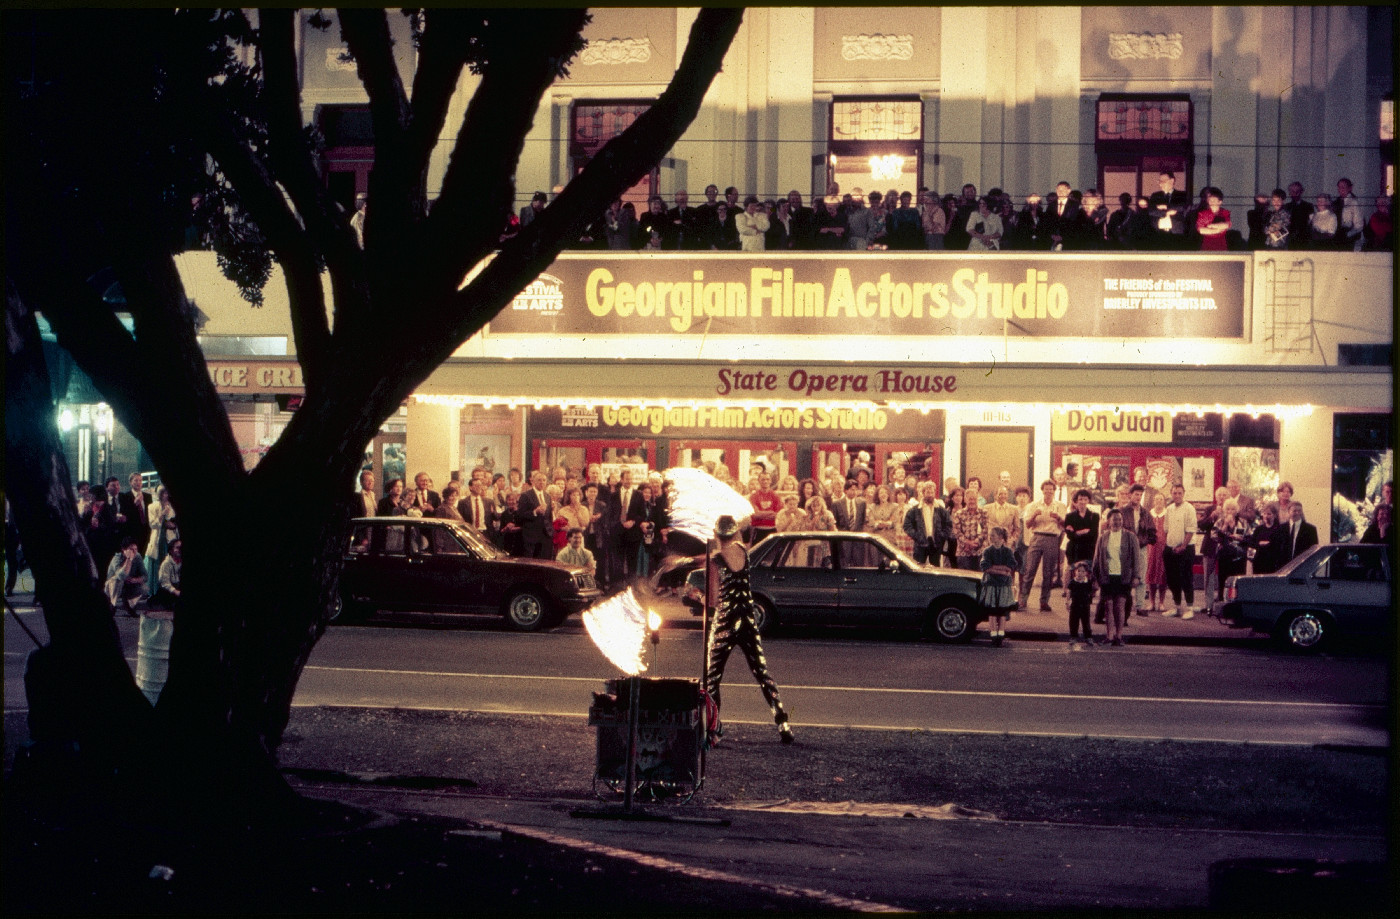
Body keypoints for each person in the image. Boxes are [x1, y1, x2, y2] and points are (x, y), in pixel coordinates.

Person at [703, 514, 793, 744]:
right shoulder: (742, 551)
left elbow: (712, 599)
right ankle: (783, 723)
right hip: (747, 618)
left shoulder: (717, 557)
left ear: (717, 534)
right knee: (762, 673)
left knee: (712, 678)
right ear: (734, 533)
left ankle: (713, 731)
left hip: (725, 621)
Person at [1092, 509, 1141, 647]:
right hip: (1107, 576)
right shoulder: (1103, 536)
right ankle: (1109, 636)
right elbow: (1097, 558)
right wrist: (1095, 578)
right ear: (1109, 521)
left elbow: (1137, 558)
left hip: (1123, 576)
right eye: (1114, 519)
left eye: (1119, 519)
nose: (1117, 521)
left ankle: (1119, 636)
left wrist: (1136, 576)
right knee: (1108, 606)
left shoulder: (1130, 537)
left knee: (1120, 606)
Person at [1018, 480, 1067, 612]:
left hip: (1052, 538)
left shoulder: (1060, 506)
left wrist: (1058, 518)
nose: (1049, 491)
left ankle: (1044, 601)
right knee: (1030, 570)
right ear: (1042, 490)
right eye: (1046, 489)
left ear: (1054, 491)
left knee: (1048, 572)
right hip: (1037, 537)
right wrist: (1035, 514)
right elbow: (1027, 525)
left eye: (1051, 489)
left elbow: (1065, 526)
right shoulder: (1034, 505)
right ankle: (1023, 600)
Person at [1162, 484, 1197, 619]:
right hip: (1171, 548)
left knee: (1186, 578)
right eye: (1174, 493)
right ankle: (1176, 607)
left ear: (1184, 493)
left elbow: (1191, 530)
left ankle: (1189, 608)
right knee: (1172, 579)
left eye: (1179, 493)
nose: (1177, 495)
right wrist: (1169, 546)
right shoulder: (1169, 509)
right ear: (1171, 493)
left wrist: (1182, 546)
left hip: (1186, 548)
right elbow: (1166, 530)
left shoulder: (1189, 508)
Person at [978, 526, 1017, 647]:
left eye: (993, 536)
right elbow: (985, 567)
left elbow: (1011, 565)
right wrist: (1002, 569)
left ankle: (1001, 632)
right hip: (992, 584)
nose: (990, 538)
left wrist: (994, 568)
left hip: (1003, 585)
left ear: (1000, 537)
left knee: (1002, 610)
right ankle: (993, 632)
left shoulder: (1008, 551)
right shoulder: (987, 551)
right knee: (992, 610)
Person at [903, 482, 946, 567]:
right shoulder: (915, 509)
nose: (930, 495)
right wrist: (917, 535)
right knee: (917, 567)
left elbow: (948, 524)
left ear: (935, 493)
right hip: (920, 543)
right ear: (923, 493)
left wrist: (941, 536)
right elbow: (907, 525)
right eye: (927, 492)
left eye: (932, 492)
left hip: (935, 543)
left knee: (936, 569)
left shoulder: (940, 509)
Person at [105, 535, 148, 616]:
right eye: (131, 549)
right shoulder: (117, 558)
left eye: (135, 549)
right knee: (117, 580)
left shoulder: (138, 556)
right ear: (123, 550)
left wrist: (136, 580)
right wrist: (129, 559)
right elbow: (121, 576)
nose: (134, 552)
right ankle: (112, 604)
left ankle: (129, 604)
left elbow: (145, 576)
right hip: (112, 587)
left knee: (144, 588)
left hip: (128, 585)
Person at [517, 470, 556, 559]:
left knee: (545, 562)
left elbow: (549, 517)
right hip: (531, 537)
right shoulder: (526, 495)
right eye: (539, 480)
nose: (542, 482)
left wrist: (551, 532)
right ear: (533, 481)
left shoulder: (547, 496)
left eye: (544, 480)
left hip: (546, 536)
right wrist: (535, 512)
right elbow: (520, 515)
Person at [953, 481, 988, 570]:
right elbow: (957, 532)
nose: (972, 501)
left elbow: (986, 530)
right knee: (964, 580)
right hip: (963, 551)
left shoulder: (984, 512)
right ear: (965, 499)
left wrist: (975, 542)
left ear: (977, 499)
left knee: (980, 578)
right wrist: (967, 543)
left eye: (974, 499)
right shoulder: (958, 514)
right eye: (969, 499)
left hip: (980, 551)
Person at [144, 485, 178, 574]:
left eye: (166, 493)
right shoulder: (152, 506)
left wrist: (173, 525)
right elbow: (152, 524)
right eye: (163, 493)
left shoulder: (172, 506)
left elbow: (174, 521)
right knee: (157, 562)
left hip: (170, 537)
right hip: (158, 538)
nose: (165, 495)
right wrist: (162, 514)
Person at [1145, 493, 1169, 611]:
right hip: (1151, 548)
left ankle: (1161, 602)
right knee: (1151, 573)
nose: (1159, 501)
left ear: (1164, 501)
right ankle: (1152, 602)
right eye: (1156, 499)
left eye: (1161, 499)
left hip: (1164, 547)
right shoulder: (1149, 514)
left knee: (1162, 574)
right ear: (1153, 501)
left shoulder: (1167, 514)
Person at [1067, 561, 1096, 646]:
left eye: (1083, 571)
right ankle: (1073, 636)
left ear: (1086, 573)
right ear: (1075, 572)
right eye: (1078, 571)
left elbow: (1092, 591)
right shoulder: (1073, 582)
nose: (1080, 573)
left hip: (1085, 605)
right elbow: (1069, 592)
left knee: (1086, 622)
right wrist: (1067, 602)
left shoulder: (1088, 582)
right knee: (1073, 621)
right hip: (1075, 605)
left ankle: (1088, 637)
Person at [747, 472, 781, 542]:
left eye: (767, 479)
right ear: (759, 481)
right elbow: (754, 514)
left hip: (772, 529)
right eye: (763, 479)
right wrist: (771, 512)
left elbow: (778, 514)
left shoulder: (775, 495)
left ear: (771, 481)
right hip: (757, 529)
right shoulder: (754, 496)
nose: (765, 481)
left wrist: (761, 514)